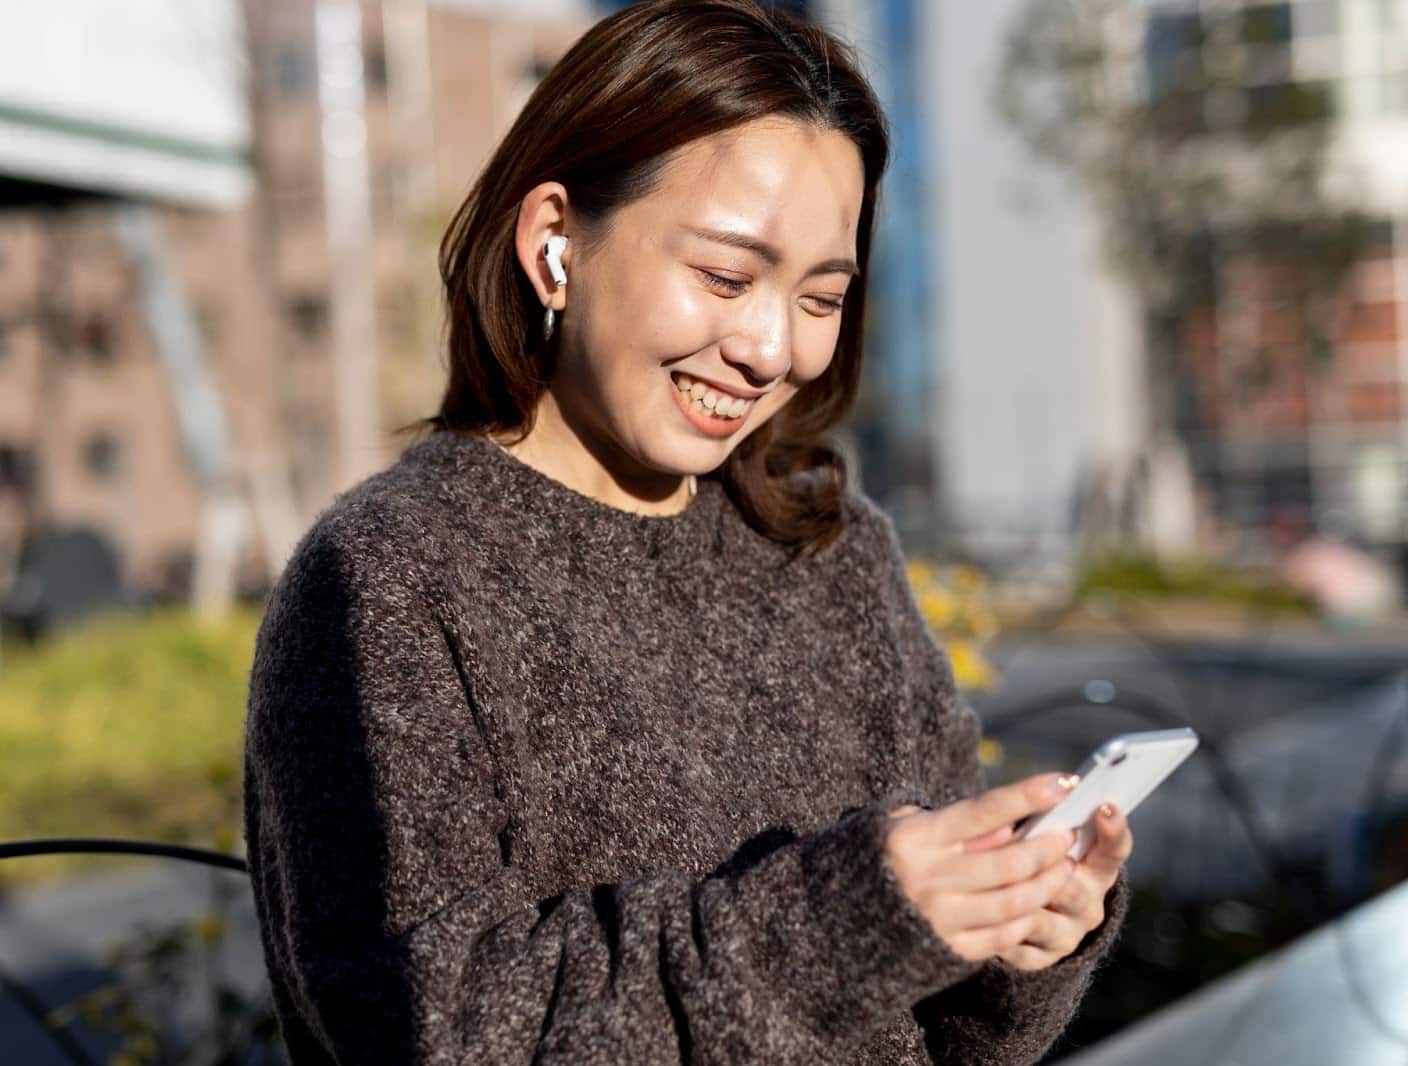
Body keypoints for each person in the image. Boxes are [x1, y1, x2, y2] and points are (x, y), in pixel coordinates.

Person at [241, 1, 1132, 1062]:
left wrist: (1016, 933)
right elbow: (431, 1027)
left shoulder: (829, 549)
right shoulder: (393, 576)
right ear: (554, 242)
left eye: (820, 296)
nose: (767, 348)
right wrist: (857, 918)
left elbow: (958, 1042)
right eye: (723, 275)